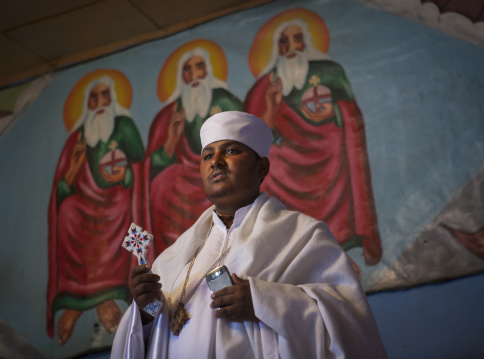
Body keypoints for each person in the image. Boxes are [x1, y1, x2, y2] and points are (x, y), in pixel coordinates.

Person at [111, 111, 388, 358]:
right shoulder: (172, 259)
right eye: (208, 155)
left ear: (262, 167)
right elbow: (151, 336)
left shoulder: (302, 236)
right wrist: (146, 309)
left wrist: (262, 302)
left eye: (230, 151)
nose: (216, 162)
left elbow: (349, 324)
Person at [245, 18, 383, 268]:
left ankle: (337, 252)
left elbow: (351, 116)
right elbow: (253, 140)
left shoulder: (330, 72)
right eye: (283, 42)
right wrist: (271, 109)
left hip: (328, 154)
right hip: (287, 159)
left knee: (335, 146)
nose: (291, 47)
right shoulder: (266, 85)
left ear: (306, 42)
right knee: (269, 166)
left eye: (297, 39)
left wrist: (332, 113)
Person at [47, 75, 145, 345]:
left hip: (119, 204)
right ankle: (80, 301)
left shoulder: (124, 125)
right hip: (84, 208)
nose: (100, 103)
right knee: (67, 211)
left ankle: (105, 297)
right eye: (94, 97)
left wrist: (124, 178)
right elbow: (62, 191)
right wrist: (73, 169)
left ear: (113, 100)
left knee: (126, 217)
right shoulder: (77, 137)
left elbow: (140, 171)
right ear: (86, 104)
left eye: (105, 96)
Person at [144, 46, 243, 258]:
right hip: (189, 176)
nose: (194, 75)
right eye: (187, 70)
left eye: (199, 67)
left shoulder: (225, 101)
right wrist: (171, 139)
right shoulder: (170, 114)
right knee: (162, 183)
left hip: (222, 175)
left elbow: (244, 147)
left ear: (208, 71)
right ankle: (180, 256)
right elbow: (154, 165)